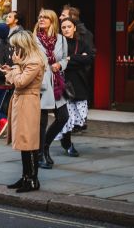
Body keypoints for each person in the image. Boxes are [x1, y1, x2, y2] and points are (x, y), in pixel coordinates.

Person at [0, 30, 46, 193]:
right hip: (22, 101)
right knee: (23, 141)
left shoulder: (34, 62)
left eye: (15, 47)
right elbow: (16, 79)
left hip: (28, 102)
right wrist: (10, 69)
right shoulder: (28, 60)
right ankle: (26, 177)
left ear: (22, 45)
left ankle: (32, 180)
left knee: (29, 141)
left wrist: (16, 66)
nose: (13, 51)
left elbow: (20, 82)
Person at [35, 9, 69, 169]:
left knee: (63, 117)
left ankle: (46, 145)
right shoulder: (33, 39)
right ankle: (40, 154)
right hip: (41, 83)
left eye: (45, 17)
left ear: (52, 20)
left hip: (56, 83)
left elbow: (65, 58)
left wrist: (59, 64)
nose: (42, 19)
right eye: (40, 17)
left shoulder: (61, 39)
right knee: (41, 122)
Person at [57, 16, 93, 156]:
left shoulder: (82, 43)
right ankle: (67, 144)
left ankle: (66, 141)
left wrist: (70, 58)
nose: (66, 29)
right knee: (66, 117)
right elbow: (57, 61)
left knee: (79, 118)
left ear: (74, 28)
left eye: (69, 27)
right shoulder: (59, 44)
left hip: (79, 83)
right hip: (62, 83)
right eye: (64, 27)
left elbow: (89, 58)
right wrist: (79, 58)